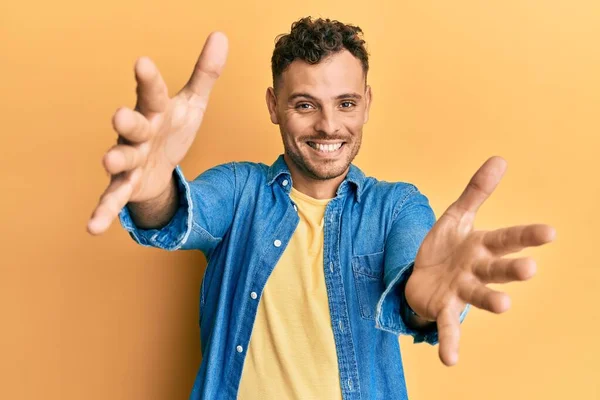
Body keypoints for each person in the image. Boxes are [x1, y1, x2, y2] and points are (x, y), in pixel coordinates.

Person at [87, 17, 556, 400]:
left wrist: (420, 306)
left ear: (367, 104)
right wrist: (151, 188)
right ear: (274, 106)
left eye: (346, 103)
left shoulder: (397, 207)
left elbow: (418, 284)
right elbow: (176, 215)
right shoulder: (240, 189)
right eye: (305, 104)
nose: (329, 126)